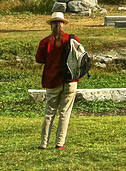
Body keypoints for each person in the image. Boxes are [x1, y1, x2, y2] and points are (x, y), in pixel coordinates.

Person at [36, 12, 77, 150]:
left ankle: (43, 143)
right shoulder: (71, 39)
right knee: (64, 113)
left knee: (49, 113)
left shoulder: (45, 41)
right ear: (63, 25)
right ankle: (59, 143)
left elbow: (39, 59)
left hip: (52, 80)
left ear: (51, 25)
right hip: (70, 80)